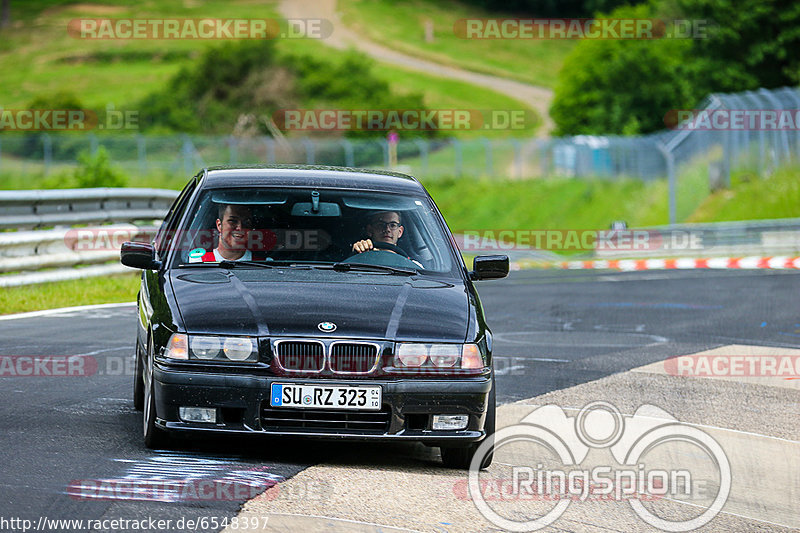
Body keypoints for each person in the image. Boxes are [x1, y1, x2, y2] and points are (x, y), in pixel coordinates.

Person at [189, 203, 263, 262]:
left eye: (246, 222)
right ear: (219, 225)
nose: (240, 228)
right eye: (232, 221)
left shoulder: (265, 265)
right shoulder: (198, 262)